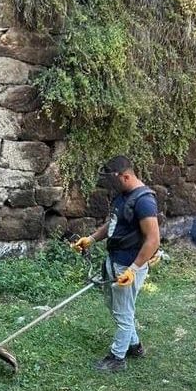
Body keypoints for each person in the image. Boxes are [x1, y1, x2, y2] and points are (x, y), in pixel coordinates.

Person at [71, 156, 160, 372]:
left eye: (115, 181)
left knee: (123, 313)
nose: (112, 186)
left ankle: (117, 358)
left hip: (128, 266)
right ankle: (135, 345)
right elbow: (113, 224)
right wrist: (91, 239)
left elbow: (153, 239)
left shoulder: (144, 201)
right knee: (116, 308)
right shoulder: (123, 196)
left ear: (126, 176)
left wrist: (133, 269)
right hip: (114, 260)